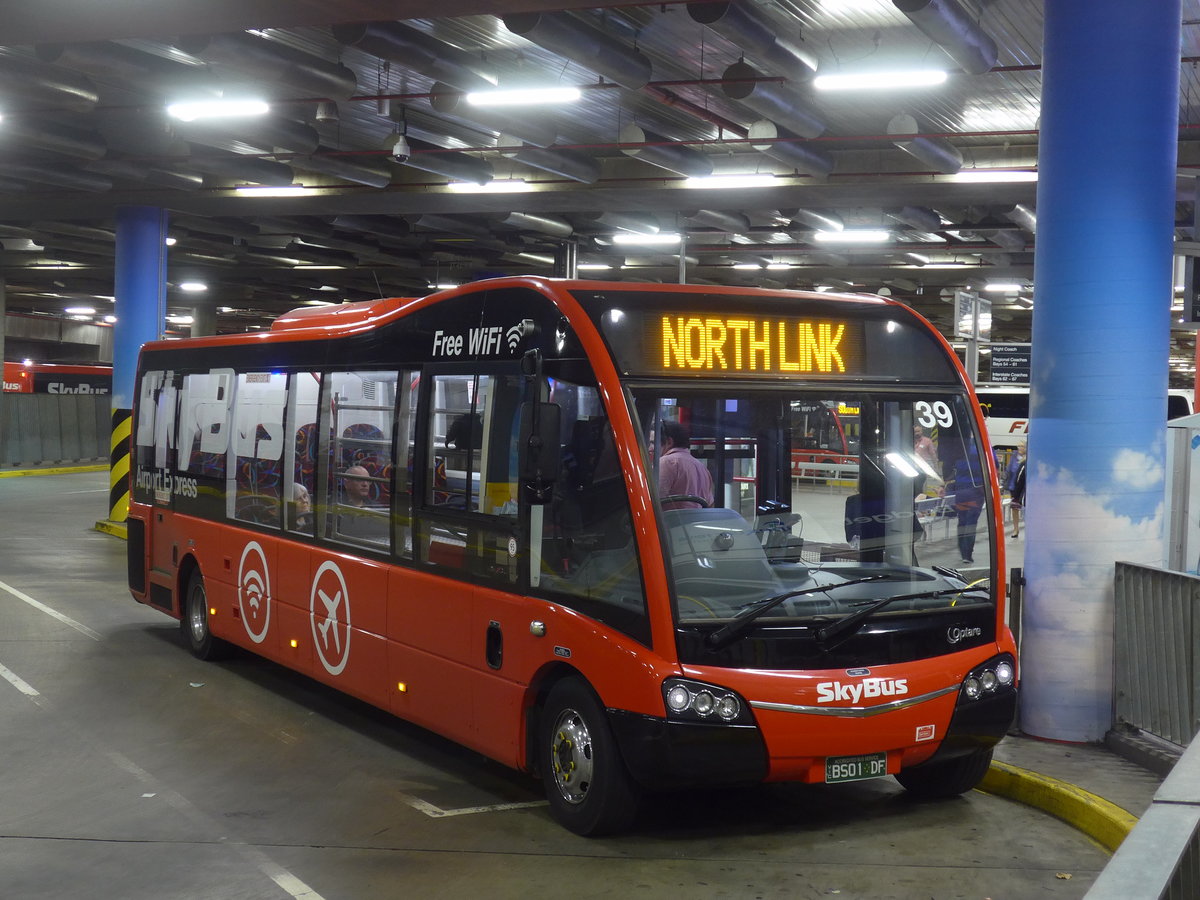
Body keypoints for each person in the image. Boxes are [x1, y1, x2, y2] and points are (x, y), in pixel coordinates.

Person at [656, 421, 714, 510]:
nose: (650, 448)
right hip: (695, 522)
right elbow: (710, 503)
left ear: (669, 442)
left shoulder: (666, 462)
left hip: (671, 522)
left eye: (653, 442)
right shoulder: (701, 466)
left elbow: (653, 500)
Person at [949, 455, 984, 565]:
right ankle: (968, 555)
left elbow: (949, 469)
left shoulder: (958, 450)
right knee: (971, 523)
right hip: (976, 493)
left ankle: (963, 552)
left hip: (961, 493)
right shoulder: (979, 449)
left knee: (962, 521)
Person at [1008, 442, 1027, 538]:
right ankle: (1015, 529)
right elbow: (1009, 470)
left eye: (1022, 446)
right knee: (1014, 508)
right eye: (1018, 446)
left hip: (1022, 488)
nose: (1020, 448)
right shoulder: (1014, 457)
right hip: (1013, 486)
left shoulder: (1027, 459)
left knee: (1024, 508)